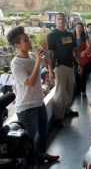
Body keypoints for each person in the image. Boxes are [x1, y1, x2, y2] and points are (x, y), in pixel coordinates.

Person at [8, 26, 59, 164]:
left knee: (42, 132)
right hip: (26, 107)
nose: (29, 41)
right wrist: (37, 60)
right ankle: (29, 165)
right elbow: (30, 82)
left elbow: (49, 62)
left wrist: (46, 51)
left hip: (38, 101)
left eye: (28, 38)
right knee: (28, 141)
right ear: (17, 45)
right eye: (25, 40)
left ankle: (41, 155)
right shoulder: (16, 63)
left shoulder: (31, 55)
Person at [47, 12, 80, 127]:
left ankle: (66, 110)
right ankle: (57, 117)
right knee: (59, 93)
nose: (61, 21)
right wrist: (50, 70)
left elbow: (75, 50)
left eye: (63, 19)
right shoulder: (52, 35)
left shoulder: (70, 34)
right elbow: (50, 54)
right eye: (59, 19)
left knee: (70, 91)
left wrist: (79, 63)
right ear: (55, 21)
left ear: (66, 20)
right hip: (59, 67)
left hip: (70, 66)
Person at [73, 22, 91, 97]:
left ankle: (83, 90)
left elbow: (89, 47)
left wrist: (85, 51)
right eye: (77, 27)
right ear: (75, 27)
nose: (79, 29)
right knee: (76, 74)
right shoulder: (72, 36)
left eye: (80, 27)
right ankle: (78, 89)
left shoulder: (84, 36)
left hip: (82, 59)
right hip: (75, 59)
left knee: (82, 75)